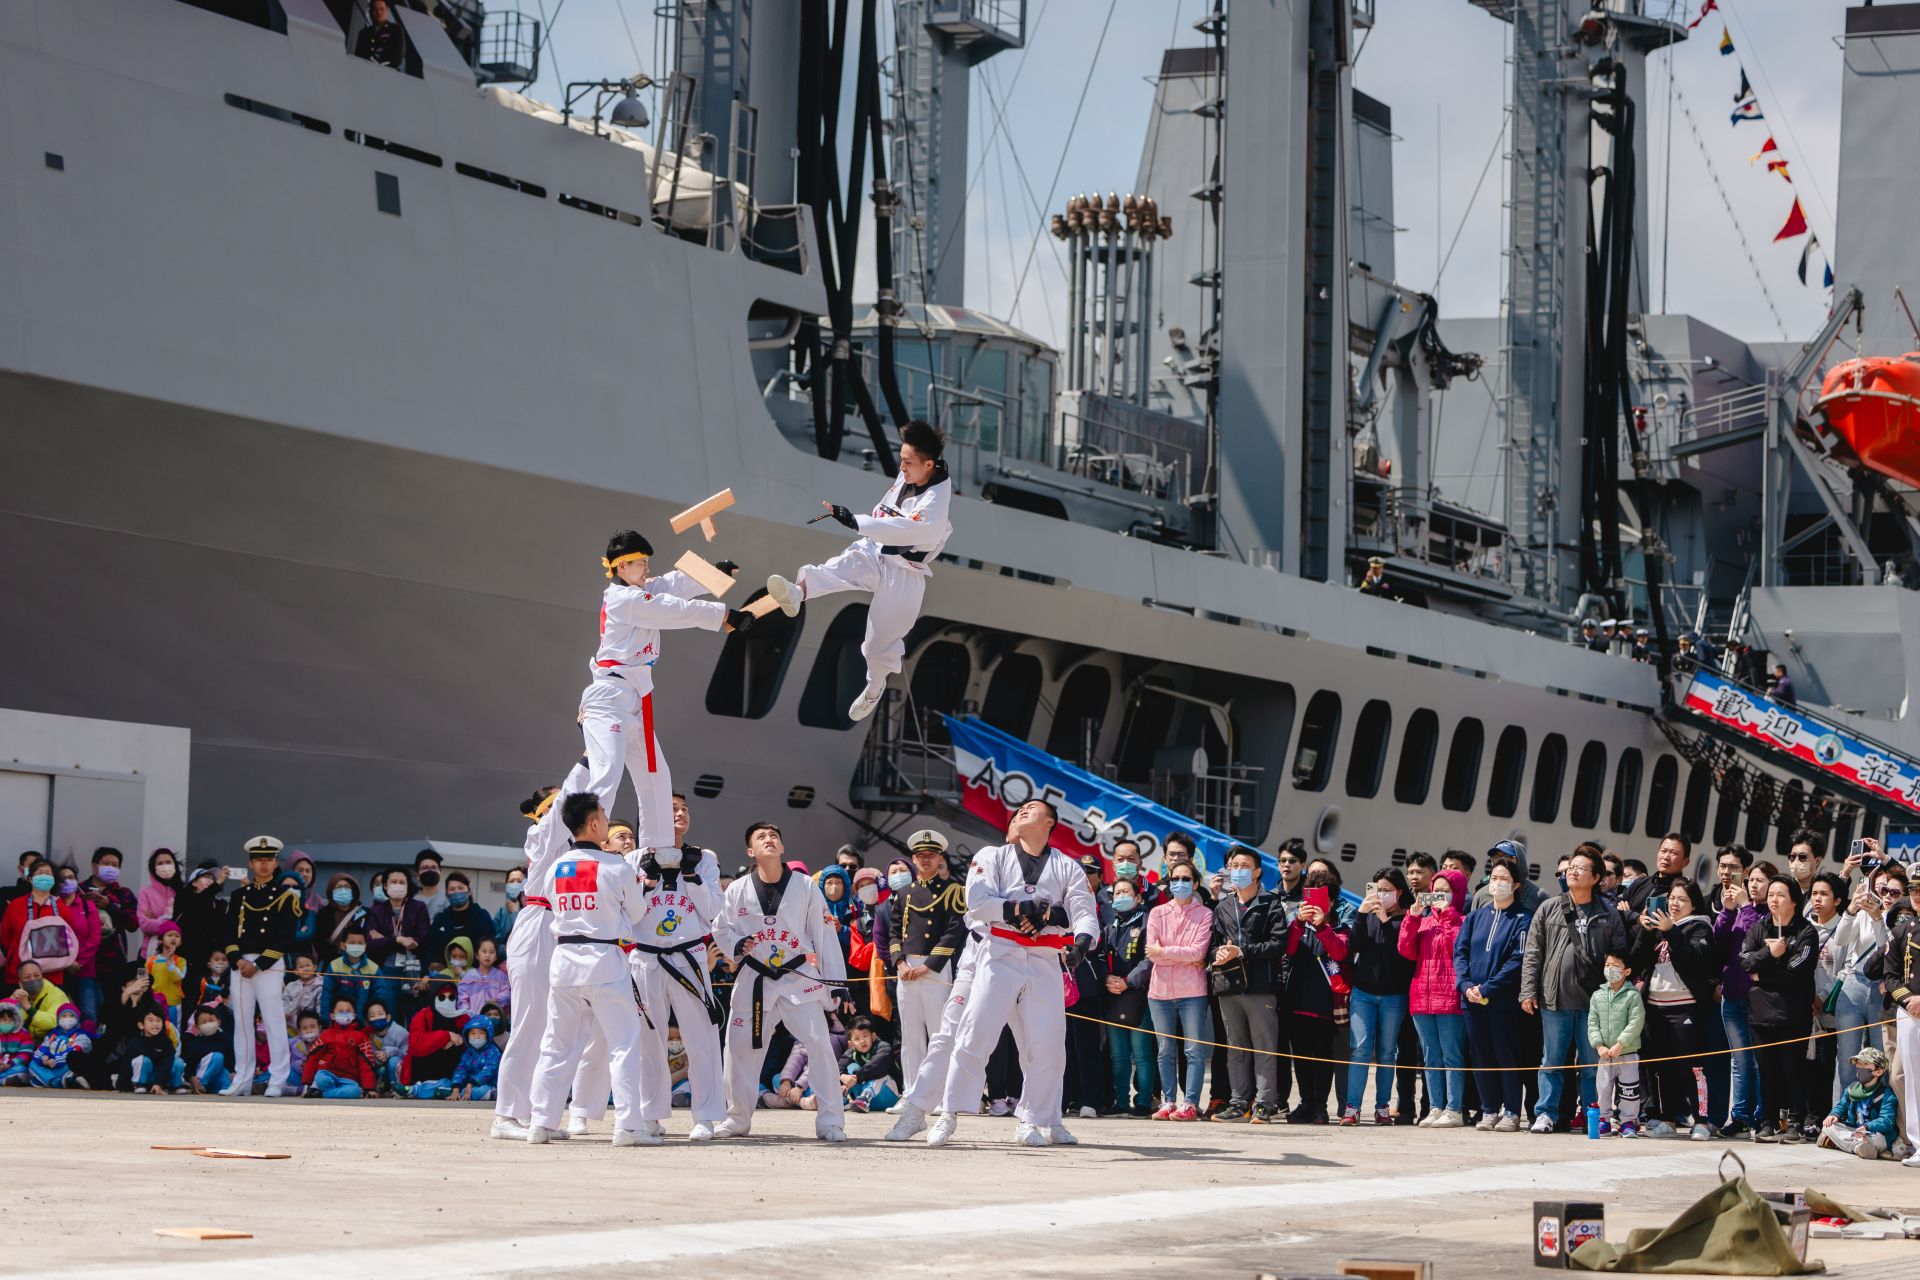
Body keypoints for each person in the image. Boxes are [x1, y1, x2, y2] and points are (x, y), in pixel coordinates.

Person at [928, 799, 1099, 1148]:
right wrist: (1020, 907)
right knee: (975, 1031)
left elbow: (1084, 910)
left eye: (1031, 808)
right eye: (1019, 808)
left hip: (1044, 958)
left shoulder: (1067, 866)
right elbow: (977, 900)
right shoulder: (992, 856)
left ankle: (1036, 1119)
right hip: (999, 953)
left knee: (1048, 1043)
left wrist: (1080, 944)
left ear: (1050, 822)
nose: (1022, 811)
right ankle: (950, 1113)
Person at [764, 419, 954, 722]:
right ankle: (798, 591)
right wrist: (859, 525)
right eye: (901, 460)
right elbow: (888, 515)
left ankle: (874, 688)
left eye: (907, 462)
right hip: (876, 551)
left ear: (929, 465)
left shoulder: (935, 503)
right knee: (843, 565)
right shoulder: (915, 472)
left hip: (906, 572)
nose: (902, 467)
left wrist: (855, 521)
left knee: (878, 646)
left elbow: (906, 530)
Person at [582, 530, 747, 861]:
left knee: (657, 776)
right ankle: (584, 847)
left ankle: (657, 854)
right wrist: (725, 616)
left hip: (635, 696)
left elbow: (672, 585)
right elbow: (674, 609)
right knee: (608, 772)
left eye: (646, 562)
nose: (646, 568)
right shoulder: (623, 599)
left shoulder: (638, 590)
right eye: (640, 562)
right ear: (621, 566)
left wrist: (713, 573)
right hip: (610, 696)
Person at [526, 792, 662, 1145]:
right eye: (603, 813)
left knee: (556, 1044)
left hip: (565, 961)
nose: (606, 817)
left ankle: (541, 1122)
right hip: (604, 960)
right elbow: (636, 913)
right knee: (623, 1044)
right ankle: (628, 1127)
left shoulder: (556, 866)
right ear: (594, 824)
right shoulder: (617, 866)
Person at [711, 821, 852, 1142]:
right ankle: (736, 1118)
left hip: (799, 977)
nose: (769, 840)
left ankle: (831, 1121)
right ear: (751, 851)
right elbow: (721, 927)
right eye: (761, 837)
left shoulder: (804, 885)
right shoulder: (737, 889)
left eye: (774, 836)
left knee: (818, 1045)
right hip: (755, 978)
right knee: (738, 1049)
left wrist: (836, 984)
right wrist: (736, 945)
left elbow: (823, 934)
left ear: (783, 847)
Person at [491, 764, 588, 1140]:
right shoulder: (541, 834)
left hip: (562, 928)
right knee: (529, 1022)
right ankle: (505, 1116)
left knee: (556, 1026)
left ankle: (536, 1112)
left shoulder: (570, 845)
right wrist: (586, 758)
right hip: (536, 924)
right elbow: (569, 797)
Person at [624, 833, 725, 1141]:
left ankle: (706, 1116)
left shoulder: (703, 857)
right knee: (647, 1039)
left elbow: (712, 911)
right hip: (645, 955)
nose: (678, 814)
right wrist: (647, 882)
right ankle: (650, 1115)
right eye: (671, 809)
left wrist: (692, 875)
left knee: (701, 1038)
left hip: (688, 955)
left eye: (682, 809)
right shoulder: (633, 859)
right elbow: (628, 911)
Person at [1521, 844, 1628, 1133]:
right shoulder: (1549, 908)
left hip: (1594, 1003)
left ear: (1596, 878)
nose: (1573, 872)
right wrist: (1528, 990)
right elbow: (1533, 953)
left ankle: (1593, 1112)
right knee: (1552, 1061)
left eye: (1581, 868)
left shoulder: (1608, 914)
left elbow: (1618, 953)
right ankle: (1545, 1113)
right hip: (1554, 998)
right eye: (1571, 868)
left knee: (1592, 1063)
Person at [1629, 876, 1715, 1137]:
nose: (1675, 904)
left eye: (1681, 900)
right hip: (1656, 1006)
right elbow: (1635, 960)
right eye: (1671, 899)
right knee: (1660, 1066)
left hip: (1685, 1006)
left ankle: (1701, 1120)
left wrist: (1672, 931)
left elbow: (1694, 960)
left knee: (1693, 1067)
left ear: (1693, 904)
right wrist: (1645, 930)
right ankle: (1666, 1120)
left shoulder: (1700, 928)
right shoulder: (1659, 926)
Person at [220, 835, 303, 1098]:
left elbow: (284, 937)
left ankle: (278, 1079)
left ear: (276, 861)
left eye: (268, 860)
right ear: (251, 863)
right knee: (242, 1021)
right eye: (258, 860)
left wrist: (257, 964)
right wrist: (237, 960)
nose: (263, 865)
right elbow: (228, 933)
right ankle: (242, 1078)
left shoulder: (285, 896)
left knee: (273, 1020)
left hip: (268, 963)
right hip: (240, 963)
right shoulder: (239, 895)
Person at [888, 828, 967, 1101]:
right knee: (910, 1034)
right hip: (906, 968)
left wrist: (928, 966)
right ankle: (912, 1093)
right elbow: (895, 931)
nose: (926, 860)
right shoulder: (904, 893)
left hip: (934, 968)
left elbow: (953, 932)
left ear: (939, 858)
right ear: (914, 858)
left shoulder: (953, 891)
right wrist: (899, 963)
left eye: (931, 855)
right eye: (921, 856)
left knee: (938, 1032)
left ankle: (940, 1094)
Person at [1208, 846, 1286, 1124]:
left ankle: (1264, 1104)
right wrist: (1218, 954)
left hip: (1260, 986)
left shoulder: (1270, 902)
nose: (1237, 870)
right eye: (1233, 865)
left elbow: (1278, 944)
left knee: (1264, 1046)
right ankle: (1238, 1102)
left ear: (1256, 871)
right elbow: (1214, 943)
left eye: (1244, 865)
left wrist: (1242, 950)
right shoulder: (1223, 906)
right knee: (1235, 1047)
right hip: (1229, 986)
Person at [1455, 851, 1530, 1131]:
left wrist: (1488, 987)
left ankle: (1511, 1110)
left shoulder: (1523, 919)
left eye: (1504, 879)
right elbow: (1460, 953)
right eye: (1494, 878)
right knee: (1480, 1054)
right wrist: (1465, 985)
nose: (1497, 883)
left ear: (1517, 885)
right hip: (1471, 1000)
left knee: (1505, 1053)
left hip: (1503, 1001)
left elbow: (1517, 960)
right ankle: (1488, 1108)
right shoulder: (1474, 917)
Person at [1741, 874, 1816, 1143]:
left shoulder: (1806, 931)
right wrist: (1769, 955)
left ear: (1795, 900)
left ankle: (1795, 1121)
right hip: (1760, 1014)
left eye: (1781, 895)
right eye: (1771, 894)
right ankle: (1768, 1121)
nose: (1774, 899)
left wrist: (1763, 975)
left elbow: (1797, 971)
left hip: (1792, 1014)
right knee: (1767, 1070)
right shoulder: (1758, 928)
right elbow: (1746, 962)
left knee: (1792, 1069)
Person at [1344, 867, 1413, 1126]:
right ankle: (1352, 1108)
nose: (1382, 895)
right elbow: (1354, 947)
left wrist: (1385, 920)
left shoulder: (1407, 917)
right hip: (1363, 993)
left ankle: (1382, 1107)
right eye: (1377, 890)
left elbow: (1402, 954)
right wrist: (1362, 915)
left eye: (1387, 891)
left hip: (1394, 996)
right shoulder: (1367, 915)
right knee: (1360, 1050)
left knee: (1386, 1053)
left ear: (1399, 892)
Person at [1145, 860, 1213, 1123]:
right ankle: (1169, 1100)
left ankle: (1190, 1103)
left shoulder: (1205, 914)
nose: (1180, 884)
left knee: (1193, 1050)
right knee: (1165, 1050)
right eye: (1176, 879)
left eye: (1186, 879)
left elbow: (1198, 952)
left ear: (1195, 884)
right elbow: (1152, 953)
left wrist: (1166, 952)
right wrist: (1175, 955)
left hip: (1192, 990)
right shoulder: (1157, 913)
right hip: (1159, 991)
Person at [1400, 868, 1469, 1128]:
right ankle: (1435, 1107)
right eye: (1435, 891)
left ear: (1457, 893)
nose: (1439, 896)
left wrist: (1448, 916)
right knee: (1430, 1057)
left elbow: (1457, 950)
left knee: (1452, 1054)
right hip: (1421, 997)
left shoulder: (1462, 920)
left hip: (1449, 996)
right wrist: (1412, 917)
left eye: (1445, 891)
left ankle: (1454, 1109)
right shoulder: (1425, 921)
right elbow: (1405, 950)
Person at [1283, 868, 1351, 1125]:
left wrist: (1322, 925)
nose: (1314, 906)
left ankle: (1320, 1105)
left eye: (1322, 899)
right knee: (1300, 1057)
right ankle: (1305, 1102)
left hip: (1325, 1004)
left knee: (1323, 1057)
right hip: (1297, 1000)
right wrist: (1300, 922)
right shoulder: (1297, 924)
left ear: (1332, 902)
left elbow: (1341, 952)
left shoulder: (1340, 926)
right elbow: (1287, 950)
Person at [1713, 855, 1772, 1136]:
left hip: (1757, 996)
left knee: (1759, 1059)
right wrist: (1727, 911)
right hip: (1732, 993)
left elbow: (1756, 940)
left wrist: (1745, 907)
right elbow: (1720, 943)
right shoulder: (1739, 910)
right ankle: (1739, 1115)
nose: (1755, 885)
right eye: (1753, 880)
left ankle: (1762, 1115)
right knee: (1740, 1060)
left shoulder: (1769, 915)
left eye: (1761, 880)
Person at [1099, 876, 1155, 1116]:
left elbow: (1149, 959)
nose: (1120, 896)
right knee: (1118, 1055)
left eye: (1126, 892)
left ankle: (1143, 1101)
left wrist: (1128, 981)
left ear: (1138, 897)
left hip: (1138, 995)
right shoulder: (1110, 927)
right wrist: (1107, 978)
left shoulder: (1147, 922)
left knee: (1142, 1053)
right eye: (1116, 893)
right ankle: (1120, 1101)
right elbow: (1100, 958)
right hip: (1113, 995)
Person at [1588, 953, 1645, 1137]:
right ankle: (1604, 1120)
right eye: (1607, 964)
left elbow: (1636, 1022)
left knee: (1629, 1090)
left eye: (1615, 965)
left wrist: (1621, 1044)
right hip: (1605, 1055)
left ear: (1626, 971)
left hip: (1627, 1053)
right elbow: (1592, 1023)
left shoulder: (1633, 995)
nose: (1610, 969)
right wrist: (1599, 1046)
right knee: (1603, 1088)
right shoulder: (1597, 996)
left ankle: (1628, 1122)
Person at [363, 866, 431, 1022]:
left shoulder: (418, 907)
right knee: (390, 1016)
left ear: (408, 886)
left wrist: (384, 939)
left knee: (415, 1018)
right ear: (385, 886)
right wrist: (398, 940)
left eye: (402, 882)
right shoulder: (377, 911)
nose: (398, 885)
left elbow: (422, 939)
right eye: (393, 881)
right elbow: (371, 945)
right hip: (387, 971)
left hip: (413, 970)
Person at [1, 859, 79, 991]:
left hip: (52, 974)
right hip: (19, 973)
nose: (44, 876)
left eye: (48, 873)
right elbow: (5, 937)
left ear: (54, 880)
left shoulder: (62, 908)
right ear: (30, 879)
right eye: (40, 873)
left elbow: (68, 938)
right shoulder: (16, 905)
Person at [1817, 1046, 1899, 1161]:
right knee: (1829, 1127)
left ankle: (1842, 1144)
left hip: (1874, 1133)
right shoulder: (1851, 1088)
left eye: (1865, 1064)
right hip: (1854, 1131)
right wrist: (1834, 1115)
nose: (1860, 1067)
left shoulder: (1886, 1094)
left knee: (1875, 1139)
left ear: (1878, 1071)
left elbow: (1887, 1121)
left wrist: (1867, 1126)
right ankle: (1859, 1148)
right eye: (1858, 1063)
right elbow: (1842, 1105)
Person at [303, 997, 377, 1099]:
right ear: (332, 1015)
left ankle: (321, 1094)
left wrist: (369, 1088)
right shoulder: (326, 1035)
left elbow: (366, 1063)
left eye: (348, 1011)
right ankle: (323, 1090)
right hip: (327, 1073)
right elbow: (313, 1057)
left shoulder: (360, 1037)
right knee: (320, 1078)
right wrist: (307, 1083)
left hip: (348, 1079)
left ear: (354, 1015)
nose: (344, 1013)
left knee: (354, 1092)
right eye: (340, 1011)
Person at [405, 987, 468, 1101]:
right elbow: (416, 1045)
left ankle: (430, 1090)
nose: (447, 1000)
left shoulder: (462, 1017)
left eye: (452, 997)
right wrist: (446, 1036)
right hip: (424, 1071)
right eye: (442, 997)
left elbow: (472, 1042)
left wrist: (459, 1041)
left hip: (453, 1074)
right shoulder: (422, 1016)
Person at [836, 1015, 900, 1112]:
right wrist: (842, 1076)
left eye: (865, 1036)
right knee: (851, 1068)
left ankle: (865, 1097)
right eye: (857, 1038)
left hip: (888, 1096)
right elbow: (838, 1067)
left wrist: (858, 1077)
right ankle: (842, 1099)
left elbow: (878, 1064)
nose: (862, 1041)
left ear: (873, 1036)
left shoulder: (883, 1047)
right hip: (861, 1102)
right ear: (851, 1044)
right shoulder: (850, 1053)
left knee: (881, 1074)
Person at [429, 872, 497, 964]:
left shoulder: (481, 916)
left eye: (460, 888)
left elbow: (489, 946)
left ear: (469, 891)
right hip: (446, 973)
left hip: (476, 973)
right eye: (452, 889)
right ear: (446, 894)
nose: (456, 892)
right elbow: (432, 948)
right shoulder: (440, 919)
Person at [322, 925, 381, 1022]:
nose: (356, 946)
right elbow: (326, 995)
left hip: (363, 1022)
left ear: (365, 946)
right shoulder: (334, 966)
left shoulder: (373, 969)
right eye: (352, 943)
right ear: (343, 945)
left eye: (360, 943)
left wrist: (371, 1022)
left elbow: (378, 996)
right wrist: (326, 1021)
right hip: (339, 1021)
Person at [28, 1002, 91, 1087]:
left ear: (77, 1019)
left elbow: (74, 1051)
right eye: (63, 1016)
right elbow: (42, 1048)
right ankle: (56, 1082)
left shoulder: (81, 1036)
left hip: (64, 1067)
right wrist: (44, 1058)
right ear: (58, 1019)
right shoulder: (52, 1035)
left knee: (74, 1064)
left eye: (71, 1016)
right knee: (33, 1064)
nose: (67, 1019)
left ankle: (44, 1080)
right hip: (49, 1067)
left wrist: (56, 1060)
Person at [312, 874, 367, 965]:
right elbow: (319, 942)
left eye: (346, 887)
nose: (343, 890)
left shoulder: (364, 913)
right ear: (331, 892)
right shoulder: (324, 914)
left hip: (358, 964)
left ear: (353, 891)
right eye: (338, 887)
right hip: (331, 964)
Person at [181, 1003, 234, 1094]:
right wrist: (191, 1077)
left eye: (211, 1020)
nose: (208, 1024)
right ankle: (201, 1085)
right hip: (201, 1077)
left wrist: (234, 1072)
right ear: (197, 1027)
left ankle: (215, 1089)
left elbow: (234, 1058)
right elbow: (189, 1064)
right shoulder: (195, 1043)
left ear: (218, 1022)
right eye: (204, 1022)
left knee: (228, 1086)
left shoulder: (227, 1039)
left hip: (220, 1075)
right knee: (217, 1057)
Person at [10, 960, 68, 1038]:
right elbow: (6, 1023)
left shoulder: (57, 994)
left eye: (37, 975)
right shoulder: (18, 996)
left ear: (42, 976)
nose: (33, 979)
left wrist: (29, 1008)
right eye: (27, 977)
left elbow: (55, 1022)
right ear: (20, 983)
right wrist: (12, 1004)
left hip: (52, 1041)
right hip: (25, 1043)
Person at [136, 849, 181, 948]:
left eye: (168, 862)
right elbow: (144, 924)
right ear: (154, 868)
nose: (165, 866)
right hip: (150, 952)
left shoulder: (182, 891)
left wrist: (156, 921)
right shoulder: (145, 893)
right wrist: (172, 923)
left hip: (178, 953)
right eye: (160, 863)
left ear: (175, 865)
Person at [459, 936, 510, 1020]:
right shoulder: (469, 976)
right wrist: (468, 1016)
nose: (487, 955)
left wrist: (497, 999)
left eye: (491, 952)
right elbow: (462, 1000)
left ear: (496, 956)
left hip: (495, 1020)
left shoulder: (500, 976)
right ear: (477, 955)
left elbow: (507, 993)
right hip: (475, 1021)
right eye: (484, 951)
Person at [354, 0, 405, 69]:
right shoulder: (364, 33)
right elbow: (358, 55)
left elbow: (398, 54)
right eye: (375, 9)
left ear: (386, 10)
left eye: (381, 9)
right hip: (366, 70)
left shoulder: (395, 29)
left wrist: (382, 65)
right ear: (371, 11)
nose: (379, 12)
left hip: (388, 71)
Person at [0, 998, 32, 1086]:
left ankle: (5, 1079)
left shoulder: (23, 1034)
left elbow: (26, 1053)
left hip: (14, 1066)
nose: (7, 1023)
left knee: (21, 1069)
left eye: (10, 1020)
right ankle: (4, 1080)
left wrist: (11, 1063)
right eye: (3, 1019)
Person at [495, 868, 527, 943]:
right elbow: (495, 943)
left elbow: (524, 937)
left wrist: (515, 913)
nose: (515, 884)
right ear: (506, 885)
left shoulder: (530, 910)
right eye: (511, 881)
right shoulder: (500, 913)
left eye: (519, 881)